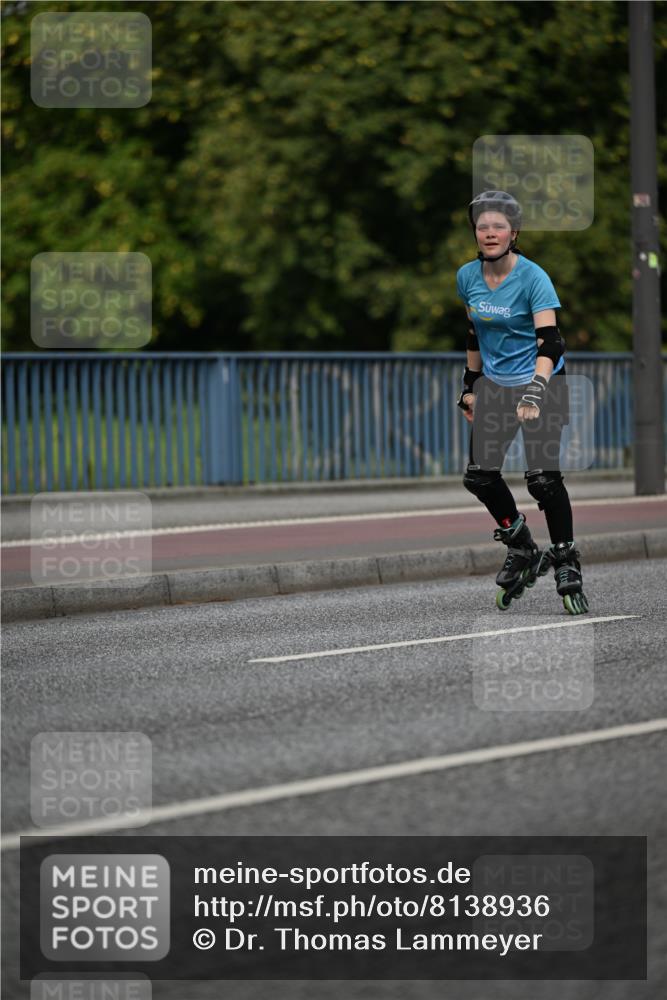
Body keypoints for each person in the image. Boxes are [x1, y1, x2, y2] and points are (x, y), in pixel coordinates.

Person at [456, 190, 589, 615]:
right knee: (479, 476)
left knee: (543, 480)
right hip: (495, 385)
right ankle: (522, 545)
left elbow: (550, 340)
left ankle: (566, 560)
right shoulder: (467, 277)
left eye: (498, 227)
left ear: (513, 233)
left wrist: (536, 388)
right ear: (475, 233)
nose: (489, 233)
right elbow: (475, 334)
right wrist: (469, 385)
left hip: (543, 379)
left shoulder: (533, 277)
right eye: (482, 227)